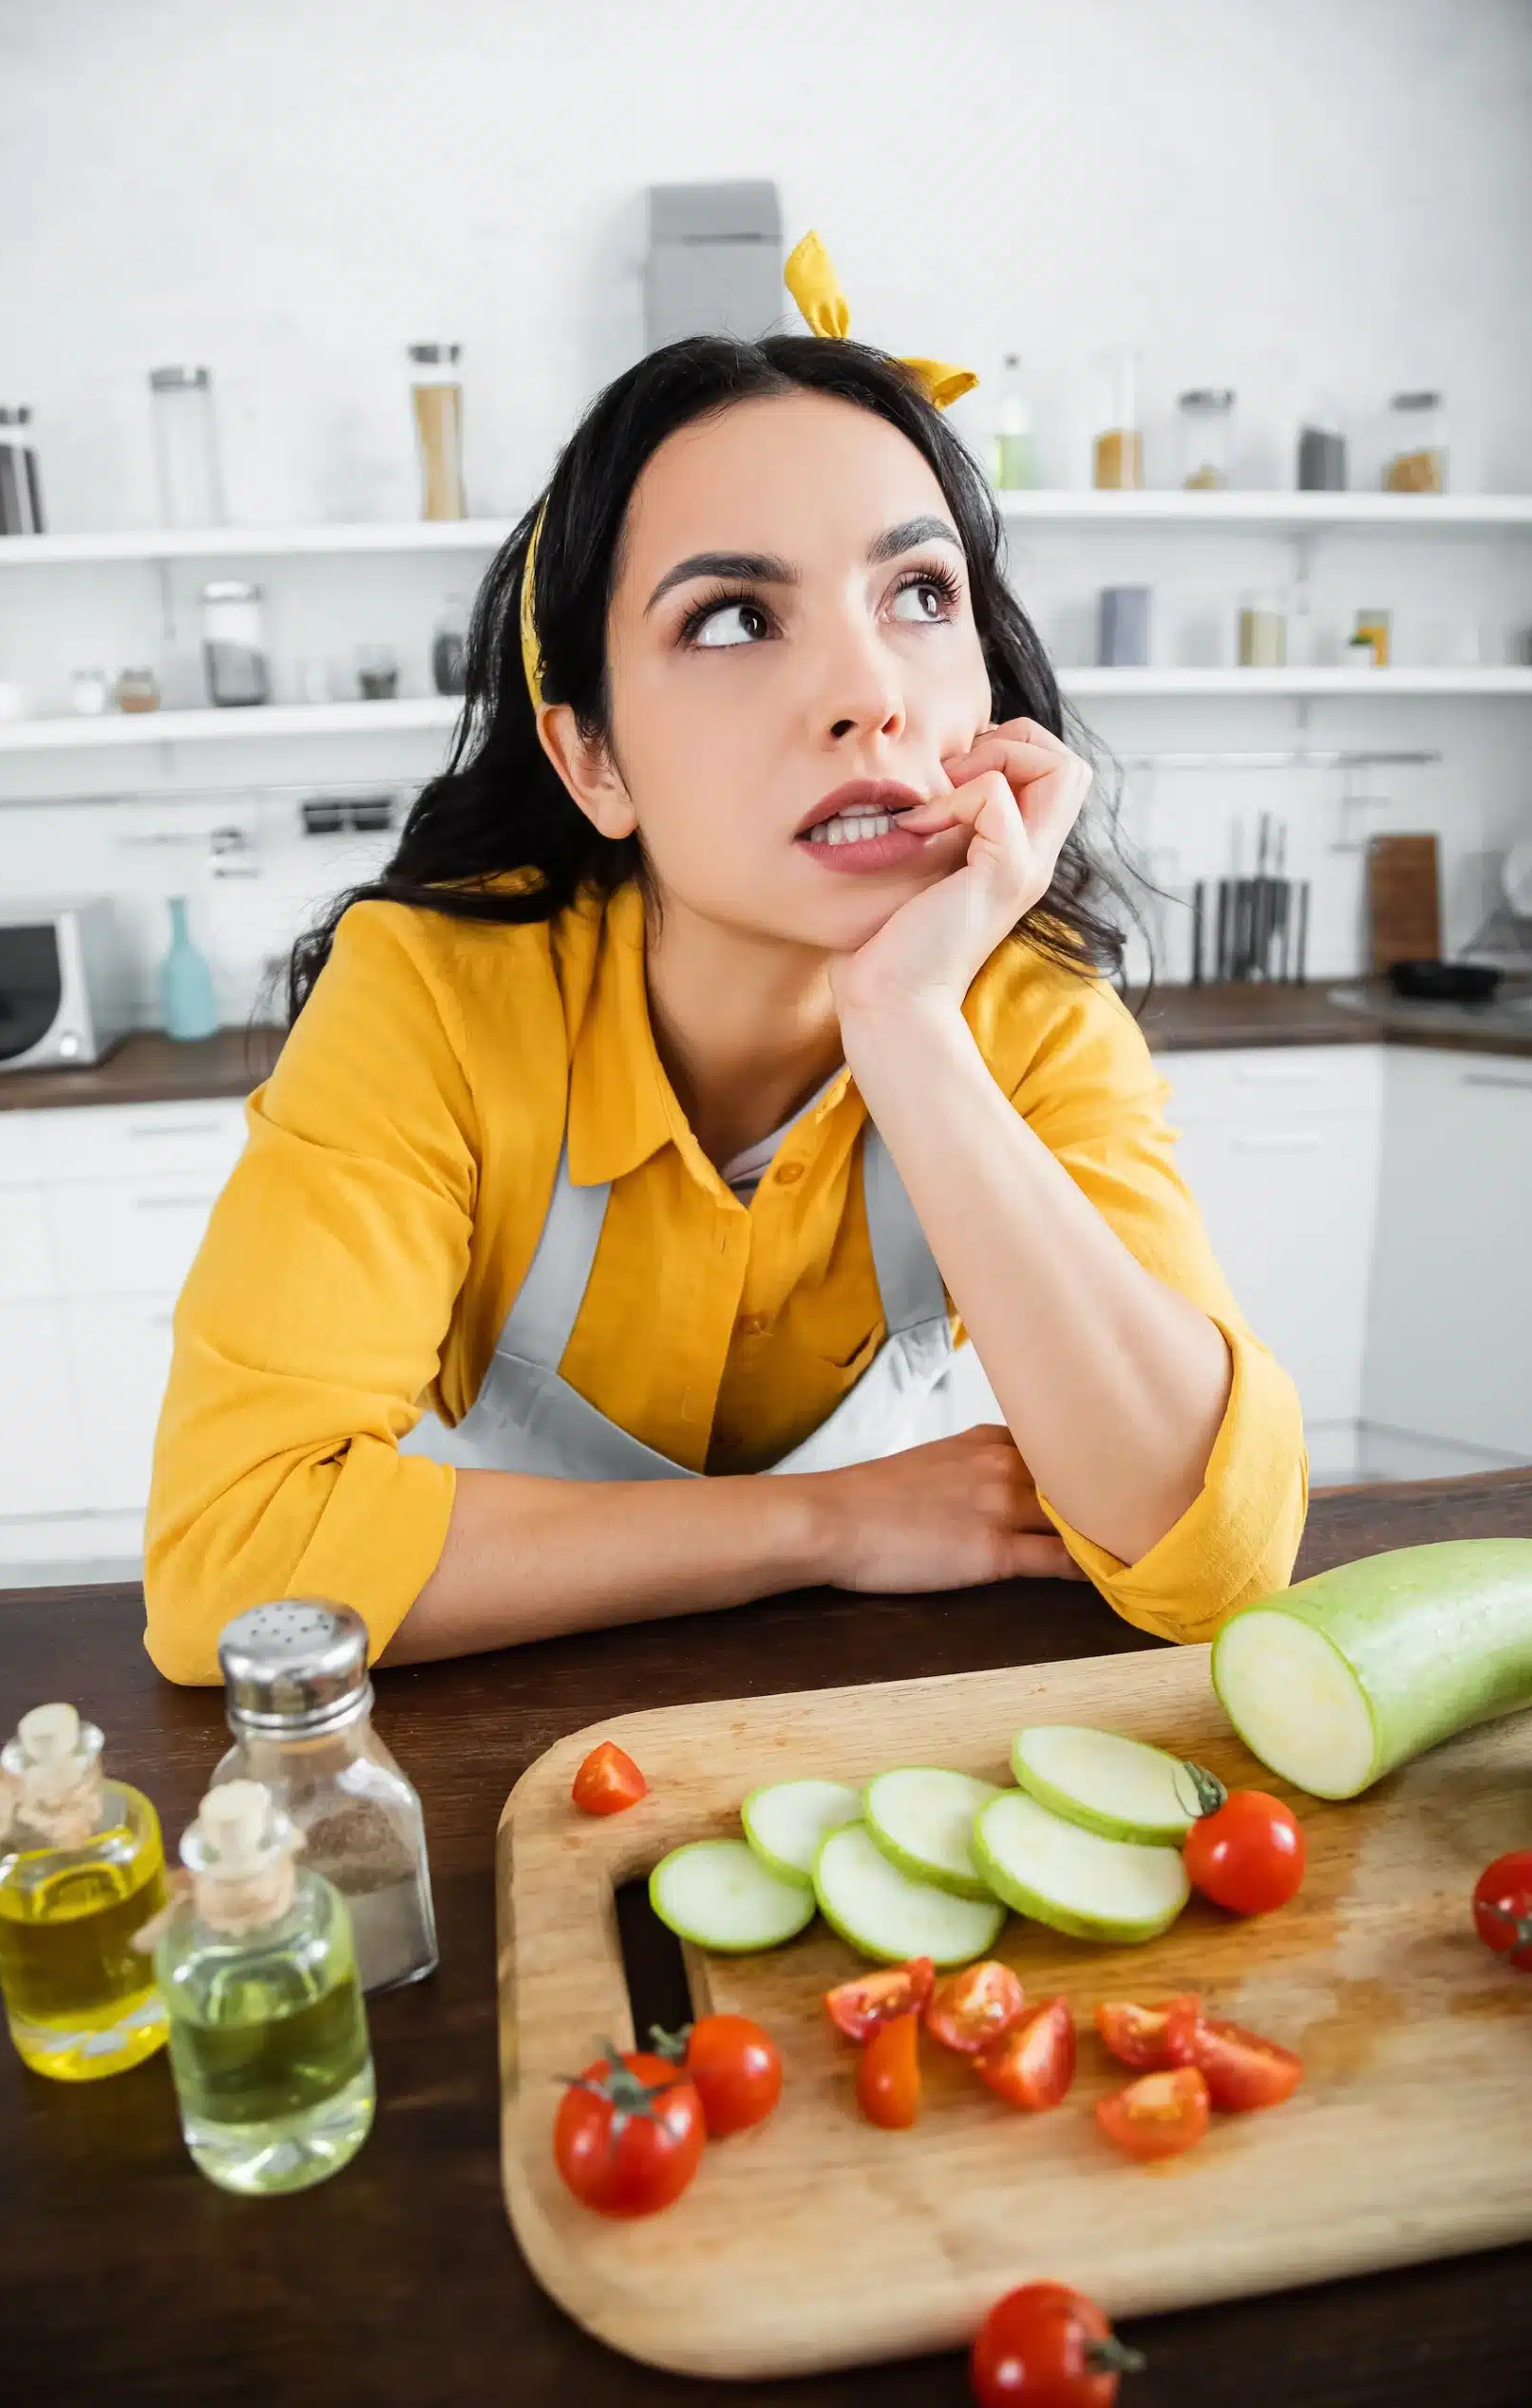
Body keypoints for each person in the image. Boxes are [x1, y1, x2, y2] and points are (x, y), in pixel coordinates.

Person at [143, 236, 1305, 1686]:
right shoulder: (432, 994)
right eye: (735, 618)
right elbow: (231, 1571)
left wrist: (907, 1024)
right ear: (591, 759)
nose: (868, 697)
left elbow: (1215, 1553)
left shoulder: (1015, 998)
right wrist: (821, 1526)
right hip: (510, 1739)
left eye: (919, 596)